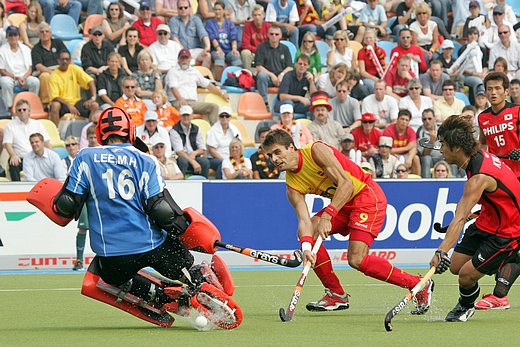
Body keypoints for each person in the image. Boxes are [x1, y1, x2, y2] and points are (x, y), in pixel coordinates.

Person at [42, 106, 236, 327]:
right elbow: (162, 210)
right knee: (183, 263)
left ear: (99, 133)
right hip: (152, 245)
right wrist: (188, 233)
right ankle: (199, 282)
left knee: (108, 276)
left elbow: (66, 205)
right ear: (131, 131)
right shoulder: (146, 160)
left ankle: (161, 297)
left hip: (112, 254)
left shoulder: (85, 157)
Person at [262, 129, 434, 313]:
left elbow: (346, 184)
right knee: (309, 231)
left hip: (366, 197)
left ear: (291, 147)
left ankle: (418, 284)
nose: (274, 159)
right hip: (342, 204)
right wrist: (306, 248)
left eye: (277, 152)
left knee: (356, 259)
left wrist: (327, 216)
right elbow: (304, 221)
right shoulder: (291, 185)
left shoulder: (316, 151)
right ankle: (336, 294)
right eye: (270, 155)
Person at [429, 115, 520, 322]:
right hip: (488, 220)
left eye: (443, 144)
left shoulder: (478, 178)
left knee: (466, 276)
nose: (440, 149)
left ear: (457, 148)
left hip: (508, 230)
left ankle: (465, 306)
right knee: (455, 267)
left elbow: (460, 217)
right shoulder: (476, 155)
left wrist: (441, 251)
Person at [166, 48, 228, 125]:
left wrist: (221, 93)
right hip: (178, 102)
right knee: (185, 111)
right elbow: (173, 87)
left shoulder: (194, 71)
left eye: (186, 58)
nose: (184, 60)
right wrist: (180, 99)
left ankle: (214, 133)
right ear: (178, 59)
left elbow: (207, 84)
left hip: (192, 103)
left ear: (190, 59)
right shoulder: (173, 71)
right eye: (182, 58)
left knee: (214, 107)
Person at [2, 99, 50, 181]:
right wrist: (13, 155)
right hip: (20, 159)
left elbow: (46, 141)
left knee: (50, 161)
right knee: (13, 162)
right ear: (16, 112)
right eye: (19, 110)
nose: (22, 112)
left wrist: (50, 155)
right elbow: (7, 144)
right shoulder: (10, 126)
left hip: (37, 157)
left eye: (24, 109)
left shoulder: (37, 124)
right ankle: (16, 189)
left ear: (29, 111)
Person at [49, 50, 99, 126]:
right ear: (58, 60)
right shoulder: (54, 75)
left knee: (95, 105)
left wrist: (93, 98)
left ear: (70, 60)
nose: (65, 61)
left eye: (67, 59)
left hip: (76, 102)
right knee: (55, 105)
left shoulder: (74, 69)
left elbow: (90, 81)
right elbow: (55, 97)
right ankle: (55, 132)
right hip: (63, 104)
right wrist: (69, 105)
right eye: (62, 59)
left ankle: (89, 131)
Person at [0, 26, 39, 109]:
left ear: (18, 36)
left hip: (24, 76)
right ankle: (9, 108)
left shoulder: (26, 49)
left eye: (15, 35)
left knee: (35, 82)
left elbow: (30, 69)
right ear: (7, 36)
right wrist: (16, 77)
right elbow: (2, 71)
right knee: (5, 83)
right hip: (10, 77)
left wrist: (23, 78)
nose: (13, 37)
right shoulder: (2, 50)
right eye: (10, 35)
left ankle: (31, 106)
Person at [255, 25, 293, 106]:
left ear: (281, 36)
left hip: (281, 78)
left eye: (276, 34)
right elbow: (258, 66)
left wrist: (282, 75)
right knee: (261, 75)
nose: (274, 36)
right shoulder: (261, 47)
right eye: (271, 34)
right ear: (268, 35)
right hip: (268, 78)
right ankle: (264, 103)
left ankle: (286, 104)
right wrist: (272, 75)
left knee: (290, 77)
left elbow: (290, 67)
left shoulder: (285, 48)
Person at [31, 22, 67, 105]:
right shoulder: (36, 48)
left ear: (50, 33)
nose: (44, 33)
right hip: (45, 71)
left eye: (47, 31)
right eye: (42, 32)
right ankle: (47, 103)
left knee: (76, 71)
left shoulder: (58, 42)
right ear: (38, 35)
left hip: (60, 68)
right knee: (45, 77)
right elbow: (38, 65)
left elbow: (67, 56)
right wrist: (52, 72)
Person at [205, 1, 242, 81]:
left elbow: (234, 37)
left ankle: (237, 81)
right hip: (216, 50)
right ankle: (219, 82)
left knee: (235, 56)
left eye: (219, 9)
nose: (217, 12)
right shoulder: (210, 23)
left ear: (224, 10)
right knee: (220, 56)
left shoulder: (229, 23)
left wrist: (234, 48)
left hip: (228, 50)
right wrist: (218, 48)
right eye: (215, 10)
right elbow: (212, 38)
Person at [169, 105, 210, 178]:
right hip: (181, 157)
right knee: (182, 161)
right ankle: (181, 183)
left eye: (187, 115)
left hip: (193, 155)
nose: (186, 117)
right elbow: (179, 152)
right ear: (180, 116)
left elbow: (202, 149)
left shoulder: (197, 129)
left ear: (192, 116)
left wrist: (195, 153)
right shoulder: (174, 130)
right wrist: (193, 162)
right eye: (184, 115)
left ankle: (204, 183)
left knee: (205, 162)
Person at [169, 0, 212, 68]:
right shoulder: (173, 20)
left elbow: (203, 34)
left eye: (185, 7)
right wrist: (184, 51)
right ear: (177, 9)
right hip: (180, 51)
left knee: (207, 56)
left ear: (190, 8)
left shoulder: (196, 19)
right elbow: (174, 37)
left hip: (195, 50)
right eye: (180, 8)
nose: (183, 9)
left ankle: (202, 77)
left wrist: (207, 47)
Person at [206, 106, 242, 179]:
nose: (224, 118)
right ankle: (219, 184)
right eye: (222, 116)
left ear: (230, 117)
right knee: (223, 163)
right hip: (214, 158)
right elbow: (211, 150)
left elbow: (239, 145)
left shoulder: (235, 130)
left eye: (227, 116)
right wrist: (225, 160)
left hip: (231, 157)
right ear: (219, 117)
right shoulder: (213, 130)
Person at [383, 109, 420, 176]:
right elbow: (387, 150)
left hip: (405, 155)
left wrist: (410, 158)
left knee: (416, 158)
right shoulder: (388, 130)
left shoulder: (411, 131)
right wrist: (406, 148)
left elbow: (413, 147)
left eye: (406, 120)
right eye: (402, 119)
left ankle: (418, 180)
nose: (404, 122)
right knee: (392, 159)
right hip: (392, 155)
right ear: (397, 119)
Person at [240, 4, 271, 73]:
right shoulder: (248, 26)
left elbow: (272, 43)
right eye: (255, 15)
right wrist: (258, 50)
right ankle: (251, 74)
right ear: (252, 16)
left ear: (263, 15)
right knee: (245, 52)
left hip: (266, 53)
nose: (257, 17)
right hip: (253, 53)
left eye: (259, 15)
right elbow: (245, 45)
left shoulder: (268, 26)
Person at [357, 29, 386, 93]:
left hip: (381, 75)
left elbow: (384, 66)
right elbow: (362, 72)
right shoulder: (361, 52)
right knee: (373, 86)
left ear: (375, 38)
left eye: (370, 38)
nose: (368, 40)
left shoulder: (381, 51)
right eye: (366, 38)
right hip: (368, 77)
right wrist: (374, 78)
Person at [416, 108, 442, 178]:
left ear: (434, 118)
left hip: (443, 156)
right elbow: (425, 154)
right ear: (422, 120)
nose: (427, 121)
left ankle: (454, 181)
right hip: (429, 159)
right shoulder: (420, 132)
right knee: (426, 158)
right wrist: (431, 141)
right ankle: (426, 183)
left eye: (429, 119)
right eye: (424, 119)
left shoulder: (443, 127)